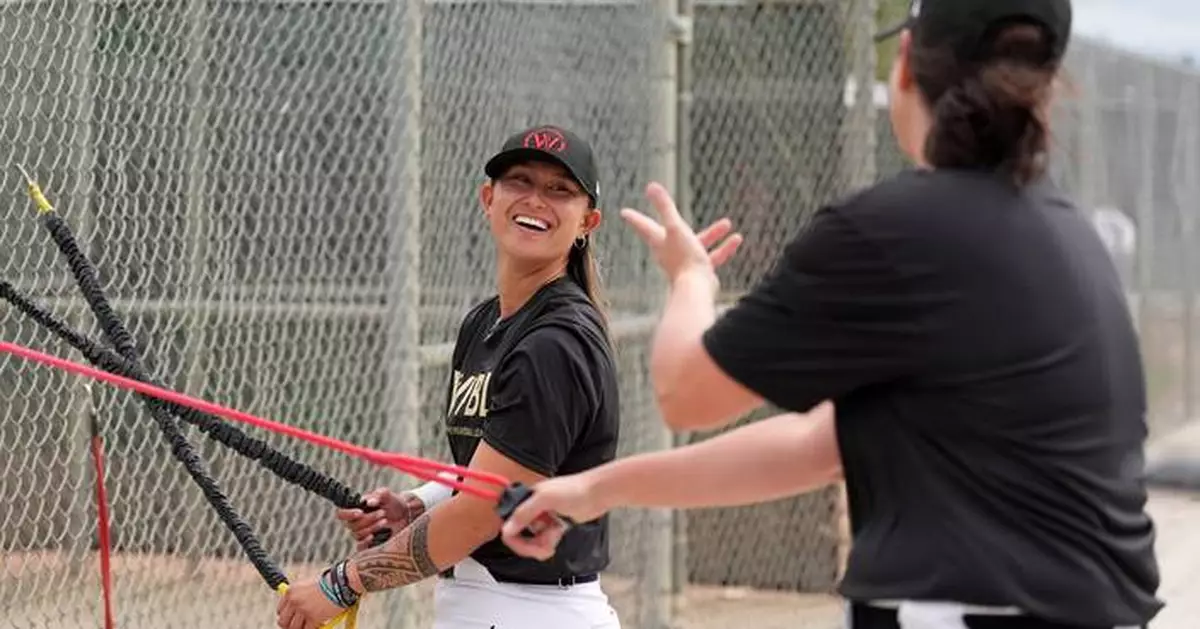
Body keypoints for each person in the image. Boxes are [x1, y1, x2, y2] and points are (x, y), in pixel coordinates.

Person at [499, 2, 1166, 628]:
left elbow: (686, 391)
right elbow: (820, 446)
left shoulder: (898, 229)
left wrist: (691, 280)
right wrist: (593, 488)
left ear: (906, 62)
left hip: (967, 606)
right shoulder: (1067, 236)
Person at [275, 125, 624, 629]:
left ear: (588, 220)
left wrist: (342, 582)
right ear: (488, 198)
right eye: (519, 181)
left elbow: (483, 511)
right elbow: (495, 467)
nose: (535, 200)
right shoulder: (486, 323)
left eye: (559, 190)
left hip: (533, 610)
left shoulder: (555, 343)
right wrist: (417, 504)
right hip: (483, 605)